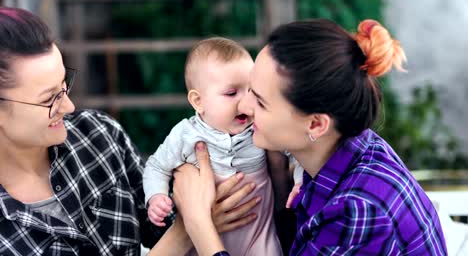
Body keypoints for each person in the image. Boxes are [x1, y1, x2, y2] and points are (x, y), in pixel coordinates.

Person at [160, 18, 448, 255]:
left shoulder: (359, 211)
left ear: (315, 125)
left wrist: (197, 224)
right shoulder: (337, 154)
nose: (245, 107)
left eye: (260, 101)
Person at [0, 7, 259, 256]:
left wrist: (189, 190)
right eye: (49, 99)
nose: (69, 106)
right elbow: (185, 228)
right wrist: (190, 227)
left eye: (64, 85)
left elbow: (158, 222)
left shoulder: (99, 135)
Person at [143, 37, 284, 255]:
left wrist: (298, 181)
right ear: (198, 102)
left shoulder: (259, 125)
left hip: (258, 236)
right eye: (231, 93)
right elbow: (156, 166)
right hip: (201, 243)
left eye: (250, 90)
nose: (245, 102)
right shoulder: (186, 134)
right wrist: (156, 196)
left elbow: (291, 152)